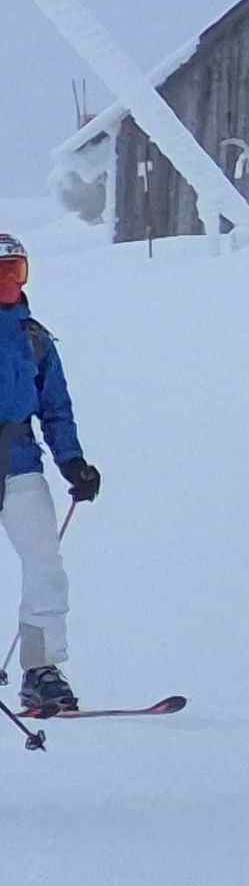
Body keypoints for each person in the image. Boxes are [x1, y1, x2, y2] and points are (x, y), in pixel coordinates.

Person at [0, 233, 99, 718]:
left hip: (19, 465)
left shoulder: (35, 340)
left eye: (14, 273)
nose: (7, 284)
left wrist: (73, 462)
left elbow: (56, 408)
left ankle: (40, 672)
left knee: (46, 568)